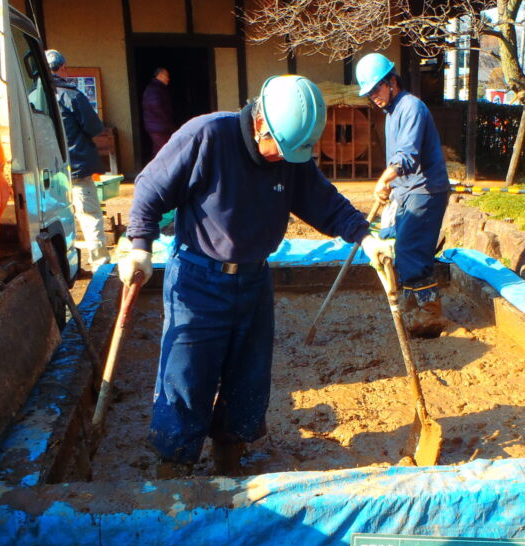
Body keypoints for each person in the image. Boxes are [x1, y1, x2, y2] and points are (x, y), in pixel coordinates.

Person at [119, 75, 392, 478]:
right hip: (197, 281)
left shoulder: (289, 155)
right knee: (187, 377)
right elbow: (149, 190)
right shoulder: (208, 136)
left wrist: (366, 238)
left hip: (253, 282)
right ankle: (174, 473)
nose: (283, 160)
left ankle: (230, 460)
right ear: (261, 124)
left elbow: (323, 201)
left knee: (247, 379)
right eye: (279, 151)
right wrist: (139, 245)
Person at [356, 52, 450, 338]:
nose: (374, 97)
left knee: (411, 249)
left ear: (391, 81)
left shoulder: (411, 108)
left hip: (425, 190)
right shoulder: (392, 113)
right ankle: (414, 303)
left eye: (376, 89)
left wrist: (385, 179)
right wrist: (391, 190)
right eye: (369, 93)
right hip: (406, 190)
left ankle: (430, 313)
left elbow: (407, 157)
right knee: (396, 242)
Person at [46, 49, 110, 270]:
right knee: (90, 216)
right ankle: (100, 265)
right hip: (77, 167)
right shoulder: (71, 95)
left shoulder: (33, 96)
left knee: (60, 219)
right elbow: (94, 127)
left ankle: (68, 265)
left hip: (49, 171)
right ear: (62, 68)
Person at [141, 67, 175, 159]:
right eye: (166, 76)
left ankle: (156, 171)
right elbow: (157, 107)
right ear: (159, 76)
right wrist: (168, 123)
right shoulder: (155, 89)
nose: (168, 78)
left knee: (159, 151)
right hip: (159, 126)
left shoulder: (157, 88)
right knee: (167, 150)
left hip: (157, 126)